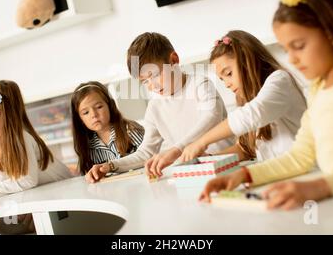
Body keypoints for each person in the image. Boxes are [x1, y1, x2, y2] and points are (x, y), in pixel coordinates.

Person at [200, 0, 333, 232]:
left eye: (298, 46)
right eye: (287, 49)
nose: (292, 59)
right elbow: (300, 157)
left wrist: (318, 186)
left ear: (331, 33)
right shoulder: (321, 87)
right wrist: (244, 176)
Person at [86, 32, 233, 182]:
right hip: (193, 175)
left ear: (174, 60)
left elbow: (211, 117)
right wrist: (110, 165)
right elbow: (146, 152)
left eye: (155, 75)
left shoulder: (199, 84)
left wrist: (176, 150)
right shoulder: (155, 107)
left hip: (227, 167)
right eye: (145, 81)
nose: (152, 85)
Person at [0, 81, 73, 234]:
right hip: (40, 193)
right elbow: (1, 181)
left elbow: (28, 180)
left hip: (63, 194)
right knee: (2, 224)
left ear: (5, 113)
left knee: (9, 224)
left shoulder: (21, 138)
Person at [179, 30, 306, 163]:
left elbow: (255, 113)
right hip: (278, 173)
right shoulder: (248, 99)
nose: (227, 84)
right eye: (222, 79)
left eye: (228, 73)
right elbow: (245, 149)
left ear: (248, 61)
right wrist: (210, 160)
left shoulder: (280, 80)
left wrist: (201, 142)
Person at [71, 81, 144, 175]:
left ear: (110, 106)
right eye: (86, 113)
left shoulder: (131, 130)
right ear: (80, 119)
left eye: (99, 107)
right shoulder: (87, 147)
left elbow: (149, 156)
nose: (94, 115)